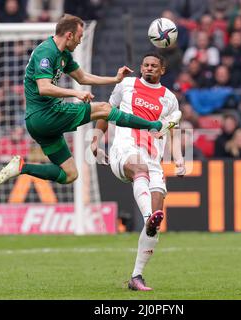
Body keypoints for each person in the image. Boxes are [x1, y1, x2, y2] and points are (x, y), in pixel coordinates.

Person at [0, 14, 179, 186]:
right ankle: (153, 126)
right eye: (79, 36)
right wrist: (74, 94)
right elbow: (44, 88)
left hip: (40, 124)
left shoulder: (64, 55)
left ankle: (22, 167)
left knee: (69, 175)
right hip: (44, 115)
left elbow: (83, 78)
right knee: (105, 109)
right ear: (69, 35)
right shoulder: (46, 52)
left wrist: (115, 79)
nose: (80, 40)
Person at [91, 53, 185, 291]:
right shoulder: (126, 85)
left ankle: (136, 276)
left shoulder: (169, 99)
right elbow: (105, 111)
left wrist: (179, 159)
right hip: (124, 151)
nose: (149, 68)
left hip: (154, 159)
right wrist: (95, 141)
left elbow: (171, 130)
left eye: (154, 66)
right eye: (145, 65)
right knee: (141, 178)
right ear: (140, 68)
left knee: (157, 215)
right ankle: (147, 219)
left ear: (162, 70)